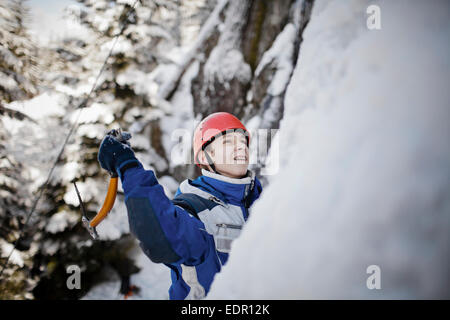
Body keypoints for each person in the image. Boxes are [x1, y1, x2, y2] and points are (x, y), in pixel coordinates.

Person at [97, 112, 263, 300]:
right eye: (228, 142)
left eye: (243, 142)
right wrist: (127, 166)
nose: (241, 147)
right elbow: (157, 233)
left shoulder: (263, 203)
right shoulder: (195, 209)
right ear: (205, 155)